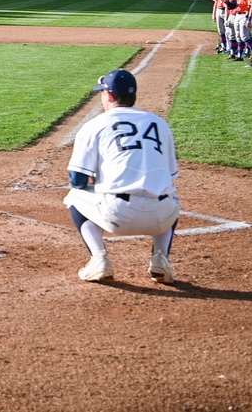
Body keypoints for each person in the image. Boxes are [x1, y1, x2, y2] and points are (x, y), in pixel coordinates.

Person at [63, 69, 181, 284]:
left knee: (74, 196)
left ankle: (98, 258)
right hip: (163, 216)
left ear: (108, 96)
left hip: (118, 216)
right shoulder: (160, 124)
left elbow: (77, 180)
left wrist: (99, 180)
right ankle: (161, 258)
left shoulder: (94, 125)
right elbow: (171, 174)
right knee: (170, 194)